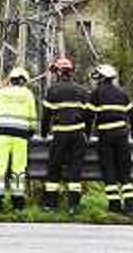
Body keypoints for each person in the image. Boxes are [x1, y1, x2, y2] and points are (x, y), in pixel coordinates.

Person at [41, 56, 91, 214]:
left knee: (54, 168)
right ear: (71, 72)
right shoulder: (82, 91)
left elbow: (47, 116)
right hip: (78, 135)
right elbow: (88, 116)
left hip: (60, 134)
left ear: (59, 72)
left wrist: (43, 133)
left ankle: (50, 204)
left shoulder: (53, 90)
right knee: (75, 169)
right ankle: (73, 206)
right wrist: (87, 134)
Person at [0, 67, 37, 212]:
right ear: (24, 80)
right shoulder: (27, 94)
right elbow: (33, 116)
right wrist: (31, 130)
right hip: (20, 136)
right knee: (18, 168)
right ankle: (18, 203)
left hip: (3, 134)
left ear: (10, 79)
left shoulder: (4, 92)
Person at [88, 64, 133, 216]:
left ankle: (115, 206)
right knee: (124, 170)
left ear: (102, 78)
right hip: (122, 135)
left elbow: (89, 116)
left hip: (105, 136)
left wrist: (86, 134)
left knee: (108, 169)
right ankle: (132, 207)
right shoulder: (122, 94)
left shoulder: (96, 93)